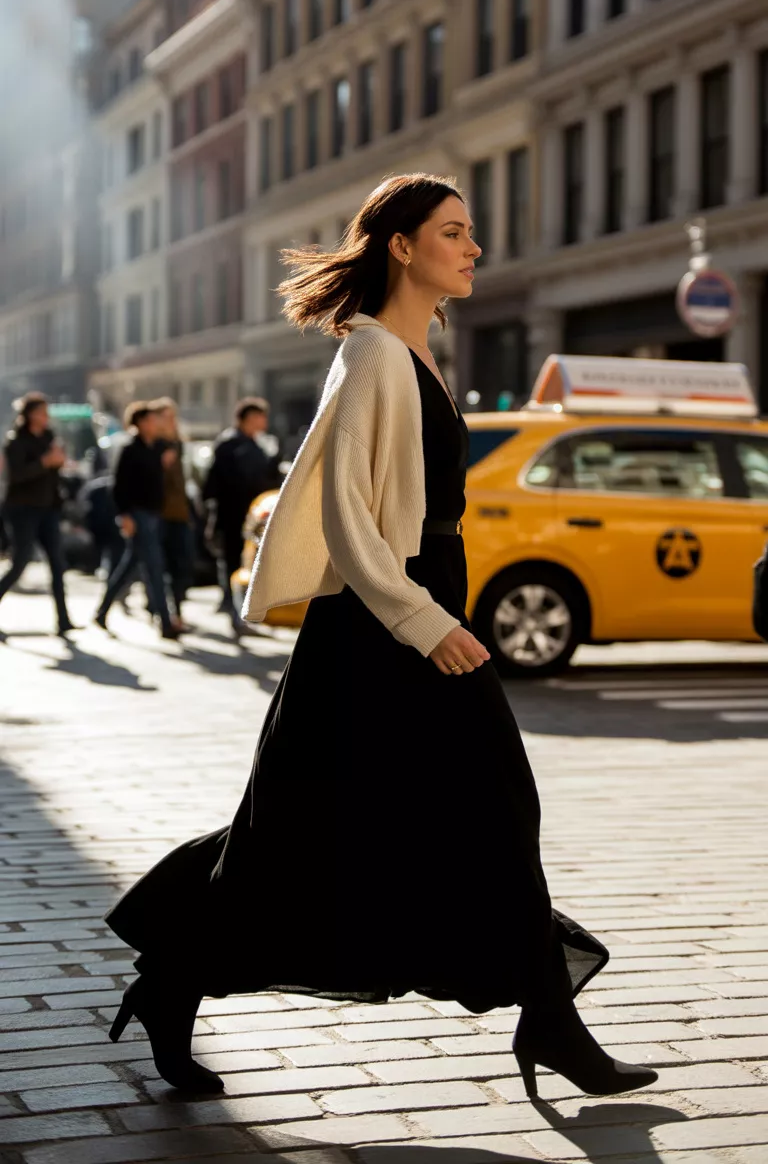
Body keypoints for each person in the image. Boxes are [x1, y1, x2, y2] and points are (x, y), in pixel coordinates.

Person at [103, 174, 658, 1101]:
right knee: (305, 830)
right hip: (381, 627)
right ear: (401, 247)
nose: (473, 247)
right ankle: (171, 981)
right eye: (453, 232)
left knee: (483, 812)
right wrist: (425, 622)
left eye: (471, 232)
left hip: (422, 609)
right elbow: (348, 516)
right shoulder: (370, 358)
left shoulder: (421, 355)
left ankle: (550, 1021)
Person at [94, 402, 182, 641]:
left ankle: (102, 611)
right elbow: (118, 486)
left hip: (154, 513)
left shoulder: (157, 447)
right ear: (140, 423)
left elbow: (175, 443)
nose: (156, 425)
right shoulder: (130, 448)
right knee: (154, 567)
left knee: (129, 566)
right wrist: (124, 515)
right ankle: (165, 622)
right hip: (138, 514)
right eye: (152, 420)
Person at [0, 392, 77, 637]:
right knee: (21, 561)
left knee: (57, 563)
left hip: (49, 508)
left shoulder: (49, 438)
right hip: (23, 509)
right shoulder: (16, 441)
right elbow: (16, 476)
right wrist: (45, 462)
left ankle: (63, 619)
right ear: (30, 414)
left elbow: (55, 471)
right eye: (42, 412)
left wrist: (59, 462)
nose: (46, 418)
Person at [202, 397, 281, 636]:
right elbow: (218, 483)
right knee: (232, 562)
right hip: (232, 513)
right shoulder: (229, 445)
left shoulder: (258, 445)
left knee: (247, 563)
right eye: (260, 416)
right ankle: (235, 612)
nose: (265, 421)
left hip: (254, 514)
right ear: (248, 418)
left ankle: (241, 612)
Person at [154, 398, 193, 630]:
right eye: (165, 416)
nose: (170, 421)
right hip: (159, 513)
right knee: (160, 565)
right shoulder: (154, 445)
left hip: (179, 512)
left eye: (172, 416)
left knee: (183, 563)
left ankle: (173, 610)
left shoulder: (177, 443)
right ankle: (165, 612)